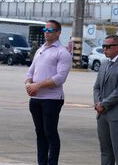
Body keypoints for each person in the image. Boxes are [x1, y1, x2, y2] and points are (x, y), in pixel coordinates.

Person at [25, 20, 72, 165]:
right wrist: (28, 84)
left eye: (50, 30)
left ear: (58, 33)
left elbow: (60, 78)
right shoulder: (41, 50)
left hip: (52, 99)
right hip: (36, 98)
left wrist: (37, 85)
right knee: (40, 134)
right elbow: (30, 70)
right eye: (45, 30)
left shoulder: (62, 53)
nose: (46, 32)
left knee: (50, 133)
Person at [93, 34, 118, 165]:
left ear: (117, 48)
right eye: (103, 46)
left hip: (117, 114)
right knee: (105, 150)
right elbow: (96, 87)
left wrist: (104, 104)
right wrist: (98, 103)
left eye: (107, 46)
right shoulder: (104, 64)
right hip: (102, 113)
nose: (104, 49)